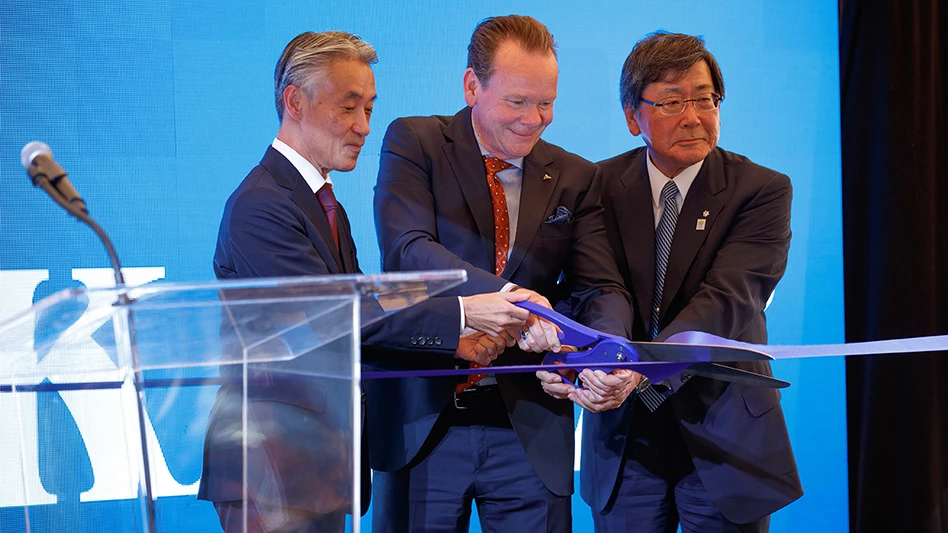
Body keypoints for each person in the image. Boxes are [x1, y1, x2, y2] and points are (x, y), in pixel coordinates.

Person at [197, 31, 531, 533]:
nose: (364, 127)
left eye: (370, 109)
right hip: (272, 464)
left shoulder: (321, 201)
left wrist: (456, 341)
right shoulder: (261, 205)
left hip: (316, 460)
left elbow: (361, 309)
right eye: (348, 107)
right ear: (295, 102)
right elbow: (333, 316)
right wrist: (463, 313)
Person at [369, 14, 633, 533]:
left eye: (546, 103)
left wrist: (607, 353)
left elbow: (599, 287)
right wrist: (513, 297)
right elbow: (408, 251)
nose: (533, 119)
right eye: (517, 102)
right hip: (423, 420)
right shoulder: (416, 143)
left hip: (530, 426)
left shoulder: (576, 177)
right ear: (472, 86)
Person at [543, 31, 804, 532]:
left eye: (705, 99)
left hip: (724, 429)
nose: (693, 116)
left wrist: (641, 366)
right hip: (624, 432)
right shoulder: (597, 186)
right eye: (671, 101)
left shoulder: (761, 190)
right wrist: (593, 362)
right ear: (632, 117)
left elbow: (729, 299)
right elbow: (594, 288)